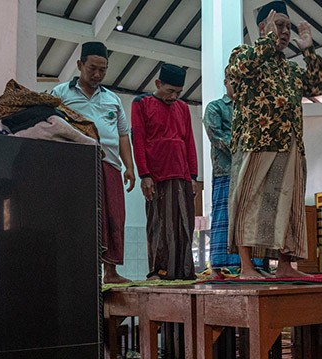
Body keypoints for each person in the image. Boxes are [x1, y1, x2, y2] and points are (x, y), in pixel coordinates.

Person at [226, 1, 322, 279]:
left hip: (290, 143)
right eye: (279, 25)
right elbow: (240, 71)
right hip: (256, 141)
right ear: (263, 27)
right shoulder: (244, 54)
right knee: (248, 201)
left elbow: (317, 85)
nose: (284, 32)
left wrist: (308, 50)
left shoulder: (291, 69)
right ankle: (247, 267)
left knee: (288, 204)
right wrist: (268, 40)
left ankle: (285, 266)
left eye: (287, 27)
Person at [51, 41, 135, 284]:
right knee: (81, 218)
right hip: (77, 166)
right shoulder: (60, 94)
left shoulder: (113, 99)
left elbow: (123, 135)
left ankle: (111, 273)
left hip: (110, 165)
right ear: (80, 65)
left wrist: (129, 167)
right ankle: (80, 275)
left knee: (114, 217)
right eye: (92, 69)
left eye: (103, 70)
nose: (97, 75)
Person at [131, 64, 198, 280]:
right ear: (158, 83)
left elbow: (189, 141)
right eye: (170, 91)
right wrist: (144, 175)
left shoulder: (183, 108)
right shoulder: (141, 103)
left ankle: (184, 271)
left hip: (182, 174)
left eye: (178, 92)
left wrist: (193, 176)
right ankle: (158, 271)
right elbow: (138, 140)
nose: (174, 97)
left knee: (184, 225)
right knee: (159, 225)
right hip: (156, 175)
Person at [203, 76, 262, 274]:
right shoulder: (215, 107)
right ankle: (221, 266)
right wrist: (245, 154)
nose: (238, 86)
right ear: (226, 81)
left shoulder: (252, 109)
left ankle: (254, 265)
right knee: (224, 217)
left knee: (250, 218)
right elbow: (216, 136)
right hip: (226, 171)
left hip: (251, 173)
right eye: (234, 81)